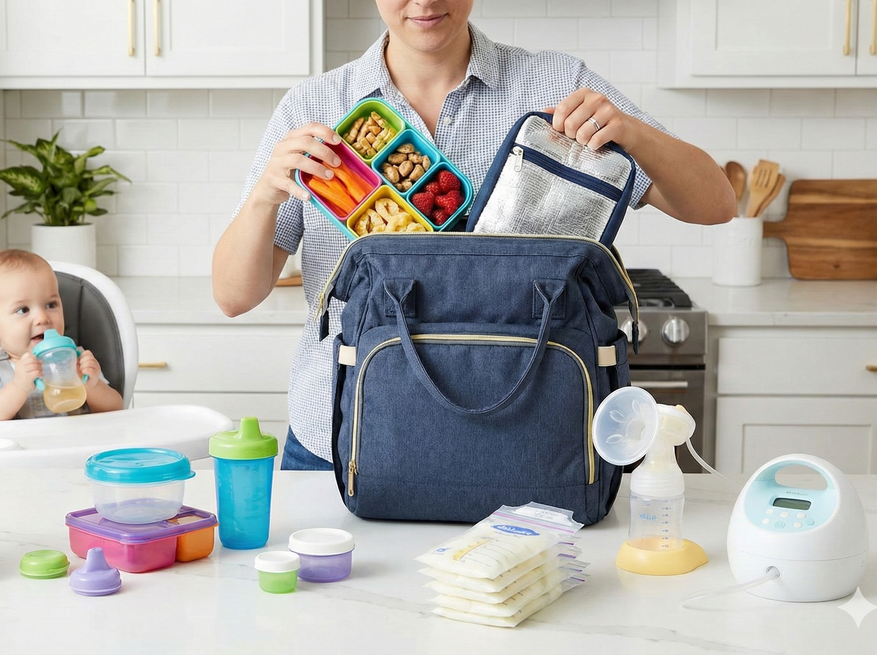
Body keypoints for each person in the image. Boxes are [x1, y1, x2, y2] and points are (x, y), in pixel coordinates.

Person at [212, 0, 736, 471]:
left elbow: (716, 204)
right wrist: (265, 195)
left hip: (516, 433)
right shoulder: (315, 105)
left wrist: (632, 131)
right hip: (341, 432)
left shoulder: (554, 85)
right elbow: (234, 296)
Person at [0, 249, 124, 421]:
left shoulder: (75, 358)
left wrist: (93, 386)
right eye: (23, 310)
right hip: (19, 447)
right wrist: (18, 387)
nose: (42, 318)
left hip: (77, 445)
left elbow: (116, 410)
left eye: (51, 305)